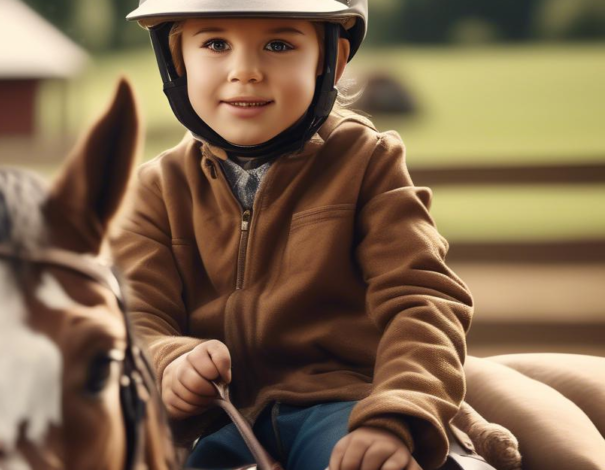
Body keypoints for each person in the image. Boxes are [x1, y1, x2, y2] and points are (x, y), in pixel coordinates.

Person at [108, 1, 474, 469]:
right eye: (216, 44)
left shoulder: (368, 163)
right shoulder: (155, 189)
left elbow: (423, 299)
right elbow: (134, 316)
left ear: (331, 61)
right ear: (177, 61)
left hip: (344, 407)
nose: (245, 71)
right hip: (218, 419)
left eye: (278, 45)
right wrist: (168, 361)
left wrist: (394, 415)